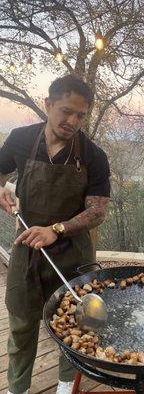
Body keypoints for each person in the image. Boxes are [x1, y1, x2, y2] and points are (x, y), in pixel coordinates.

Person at [0, 75, 110, 394]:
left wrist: (56, 230)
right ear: (48, 105)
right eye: (66, 111)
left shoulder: (92, 155)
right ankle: (17, 388)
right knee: (20, 323)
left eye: (81, 115)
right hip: (27, 247)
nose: (73, 121)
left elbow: (97, 211)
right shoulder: (21, 139)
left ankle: (65, 386)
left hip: (72, 254)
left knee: (74, 324)